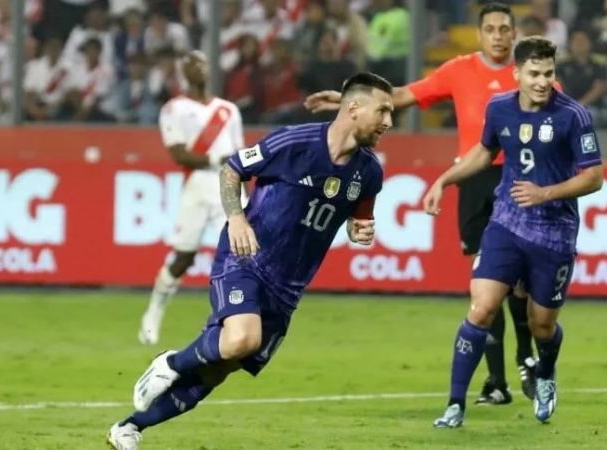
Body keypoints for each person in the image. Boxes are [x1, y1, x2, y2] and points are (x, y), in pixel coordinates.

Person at [107, 72, 394, 449]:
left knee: (218, 369)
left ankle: (128, 428)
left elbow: (361, 219)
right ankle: (170, 363)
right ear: (354, 108)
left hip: (288, 288)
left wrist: (360, 231)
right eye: (383, 111)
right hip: (246, 258)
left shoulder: (369, 172)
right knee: (242, 339)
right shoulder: (294, 142)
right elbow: (232, 169)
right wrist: (237, 218)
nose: (389, 122)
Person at [304, 2, 536, 405]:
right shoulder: (459, 69)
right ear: (480, 33)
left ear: (514, 34)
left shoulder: (531, 76)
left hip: (517, 179)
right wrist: (348, 101)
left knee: (517, 283)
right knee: (486, 282)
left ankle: (525, 358)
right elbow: (403, 95)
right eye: (491, 29)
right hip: (473, 178)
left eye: (504, 28)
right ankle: (497, 382)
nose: (498, 35)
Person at [424, 36, 604, 427]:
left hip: (553, 233)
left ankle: (546, 371)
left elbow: (594, 178)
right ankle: (455, 405)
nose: (543, 81)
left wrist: (546, 193)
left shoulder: (574, 115)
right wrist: (445, 179)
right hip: (505, 222)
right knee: (483, 307)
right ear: (517, 73)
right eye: (535, 73)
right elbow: (485, 152)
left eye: (549, 73)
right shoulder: (499, 107)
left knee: (542, 324)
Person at [138, 50, 245, 346]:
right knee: (185, 256)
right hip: (198, 187)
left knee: (243, 253)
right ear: (184, 72)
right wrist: (218, 158)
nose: (198, 67)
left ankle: (237, 318)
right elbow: (178, 154)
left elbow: (238, 153)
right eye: (191, 64)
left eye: (202, 61)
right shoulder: (174, 108)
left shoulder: (229, 110)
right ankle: (154, 311)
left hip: (229, 187)